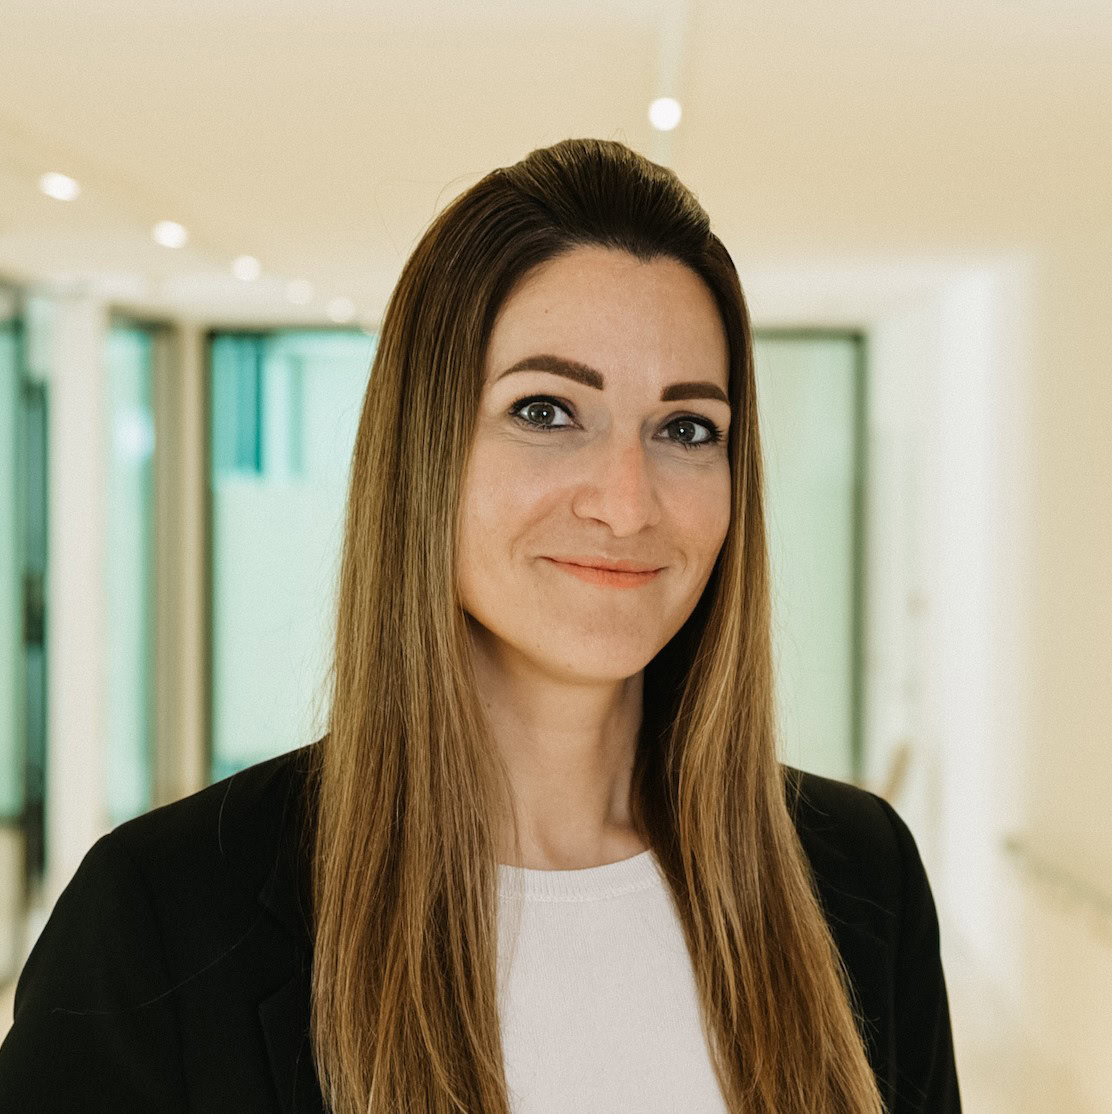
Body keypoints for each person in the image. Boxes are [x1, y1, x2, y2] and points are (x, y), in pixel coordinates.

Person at [0, 137, 962, 1113]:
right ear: (424, 448)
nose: (627, 503)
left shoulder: (859, 875)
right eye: (545, 410)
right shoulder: (162, 918)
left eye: (685, 428)